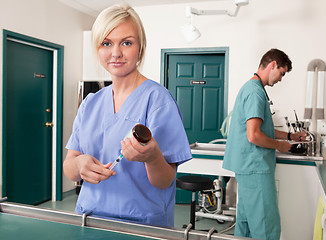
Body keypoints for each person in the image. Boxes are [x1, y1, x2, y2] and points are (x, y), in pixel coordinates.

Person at [63, 4, 192, 228]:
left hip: (141, 225)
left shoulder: (158, 100)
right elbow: (69, 166)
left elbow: (165, 180)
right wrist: (80, 164)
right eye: (106, 43)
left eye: (127, 42)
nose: (116, 53)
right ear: (98, 49)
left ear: (140, 48)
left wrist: (152, 158)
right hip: (89, 220)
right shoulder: (90, 103)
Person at [222, 48, 306, 239]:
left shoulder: (250, 88)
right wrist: (280, 145)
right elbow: (254, 136)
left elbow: (261, 129)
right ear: (273, 65)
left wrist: (290, 137)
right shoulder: (255, 93)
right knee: (266, 226)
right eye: (282, 73)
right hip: (255, 169)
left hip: (247, 169)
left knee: (246, 224)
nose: (281, 79)